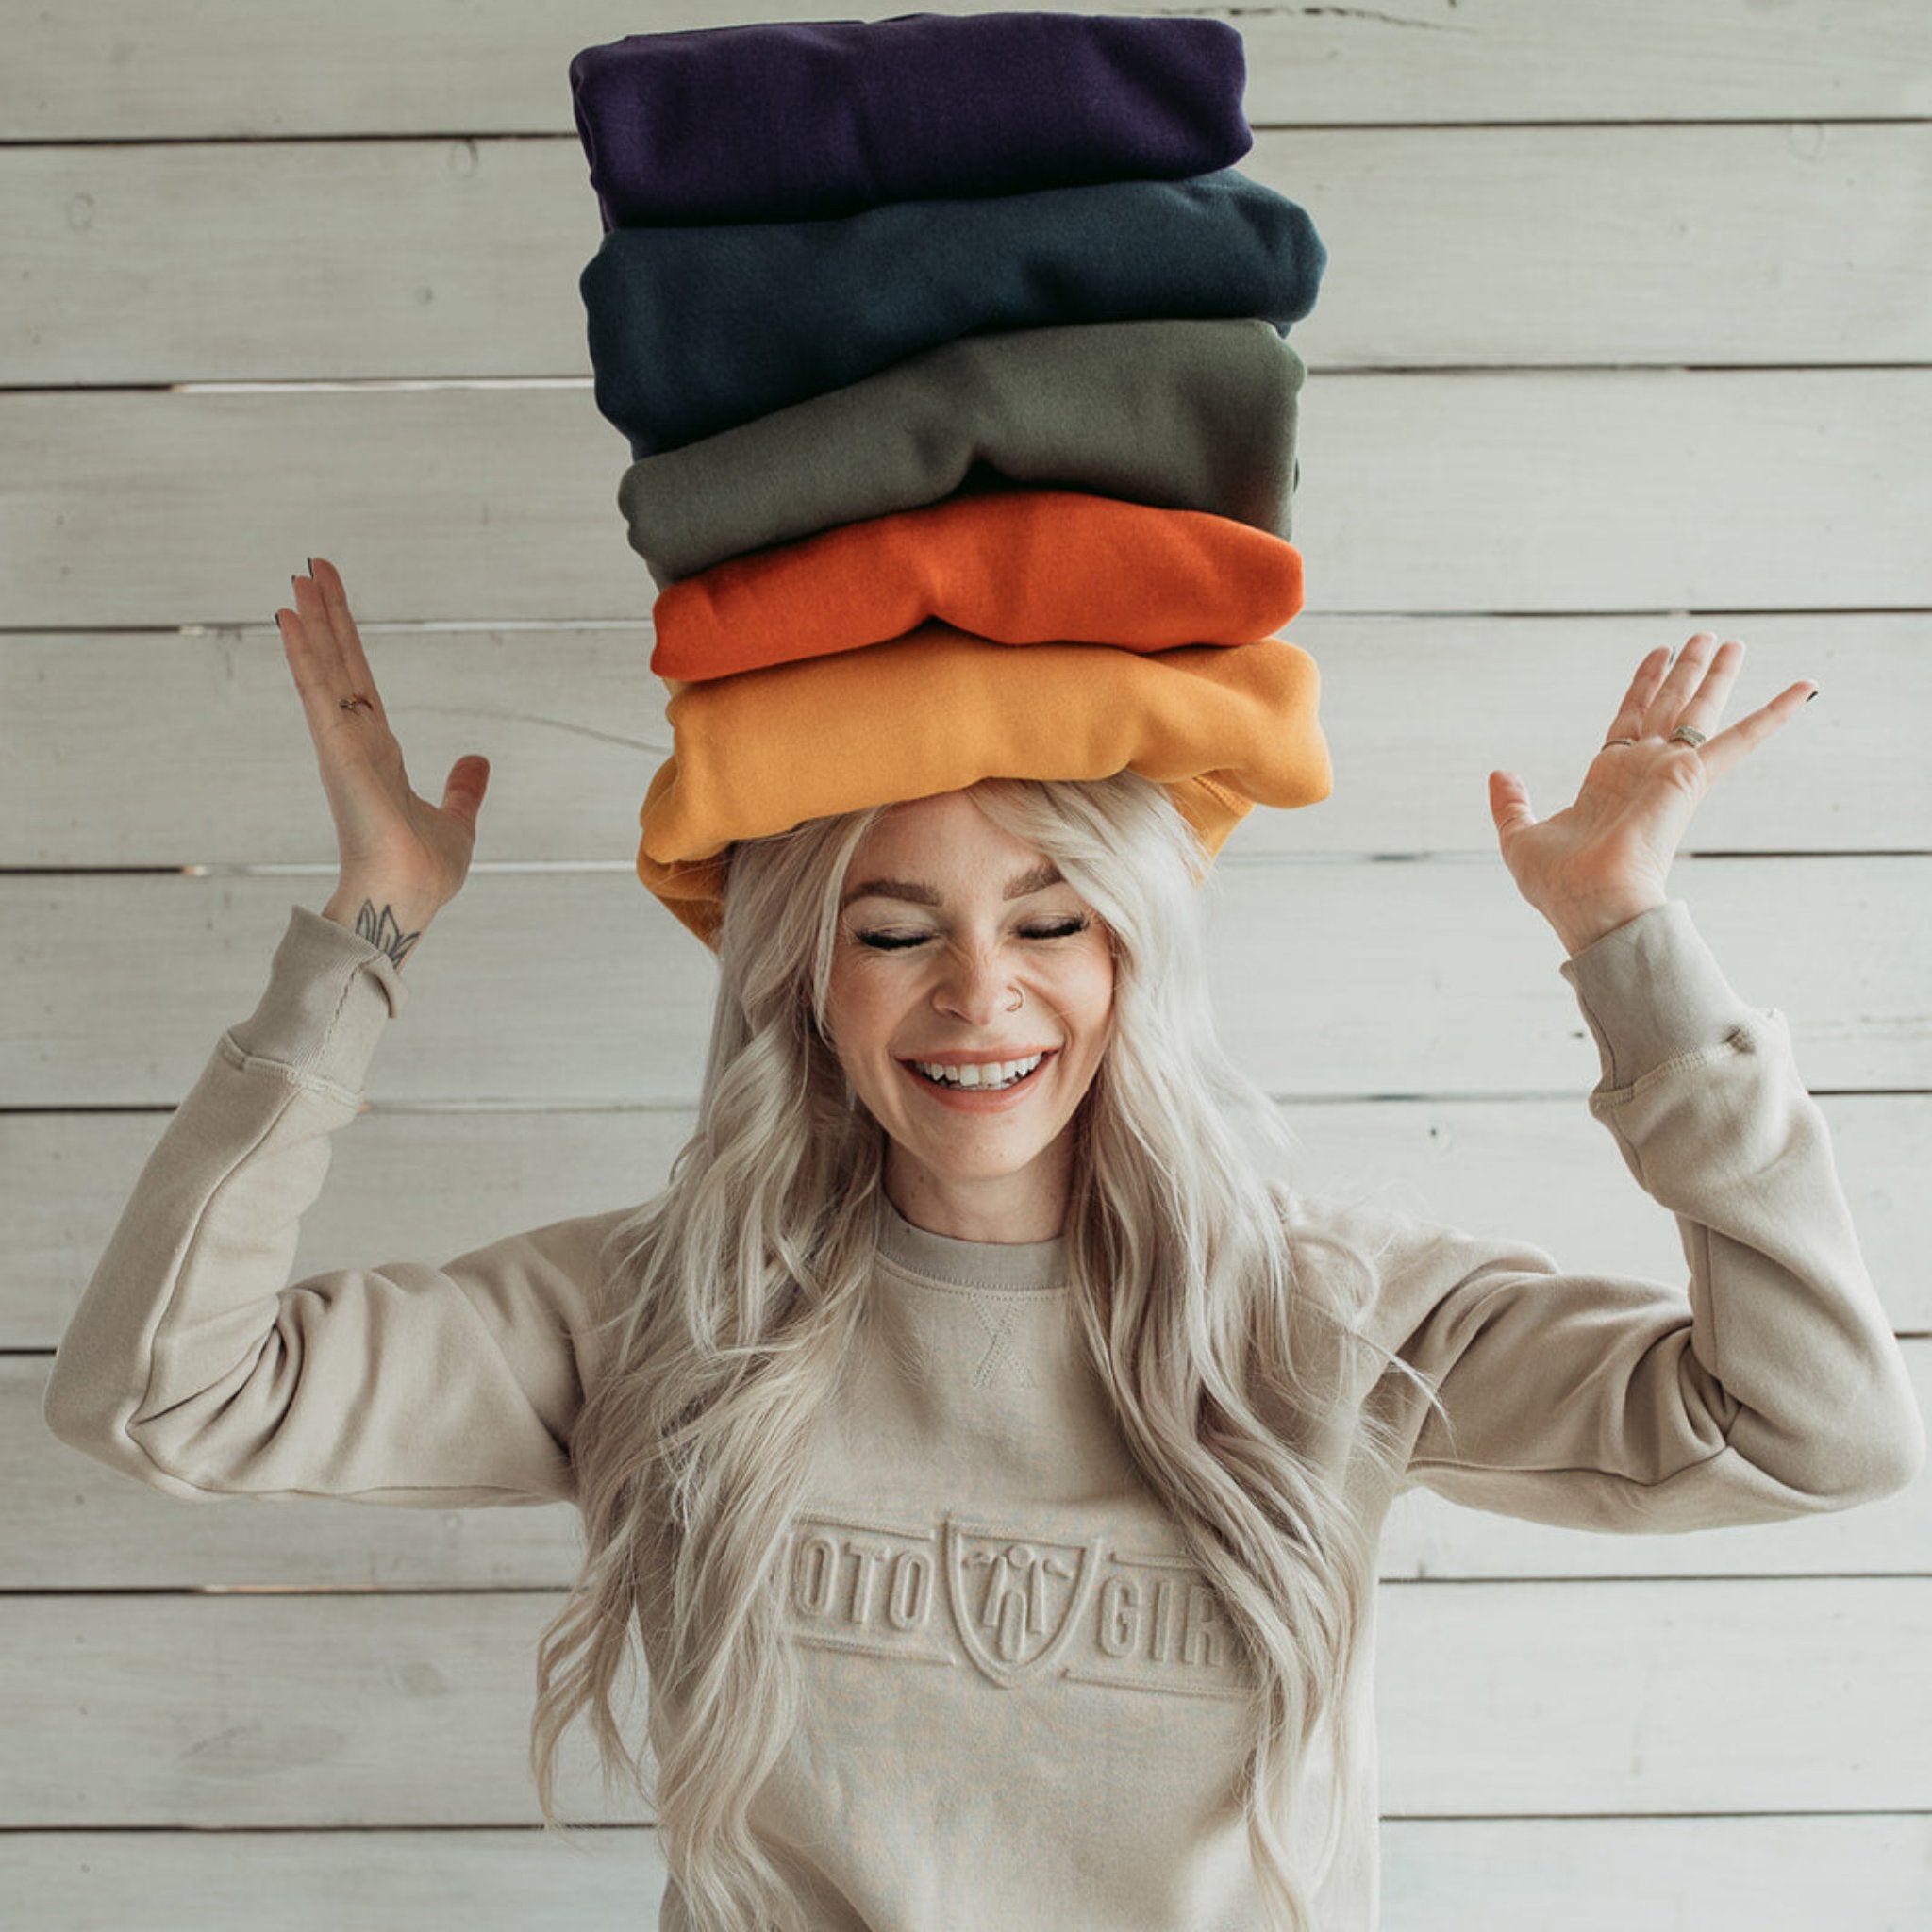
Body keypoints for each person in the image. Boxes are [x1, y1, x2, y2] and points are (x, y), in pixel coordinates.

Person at [44, 558, 1924, 1932]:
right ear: (809, 974)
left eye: (1049, 918)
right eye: (891, 928)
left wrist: (1630, 949)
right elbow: (166, 1398)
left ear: (1130, 949)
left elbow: (1815, 1429)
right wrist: (366, 932)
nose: (976, 994)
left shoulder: (1319, 1316)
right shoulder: (663, 1314)